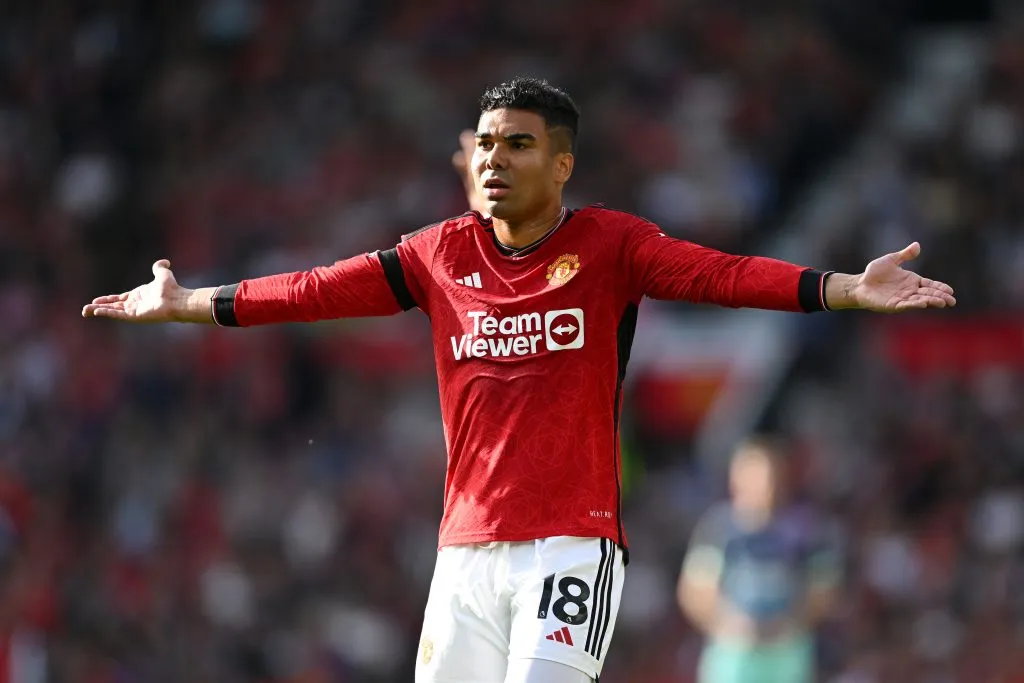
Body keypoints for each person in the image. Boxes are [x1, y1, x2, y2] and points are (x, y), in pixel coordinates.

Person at [82, 77, 955, 683]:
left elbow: (722, 274)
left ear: (563, 165)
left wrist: (844, 288)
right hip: (464, 551)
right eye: (488, 145)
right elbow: (314, 289)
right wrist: (194, 301)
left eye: (520, 145)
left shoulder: (614, 245)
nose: (495, 160)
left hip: (570, 545)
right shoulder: (437, 254)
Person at [678, 438, 841, 683]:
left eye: (767, 476)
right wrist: (731, 624)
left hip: (786, 652)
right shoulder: (719, 528)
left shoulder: (805, 529)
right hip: (733, 653)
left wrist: (788, 624)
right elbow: (694, 591)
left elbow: (824, 588)